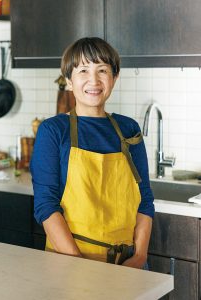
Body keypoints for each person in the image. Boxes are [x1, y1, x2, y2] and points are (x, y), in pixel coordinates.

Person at [30, 37, 154, 269]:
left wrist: (139, 258)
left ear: (114, 78)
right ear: (68, 81)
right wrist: (80, 266)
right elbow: (46, 207)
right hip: (70, 264)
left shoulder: (129, 129)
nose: (93, 80)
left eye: (102, 70)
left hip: (129, 266)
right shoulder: (54, 130)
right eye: (83, 70)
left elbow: (145, 200)